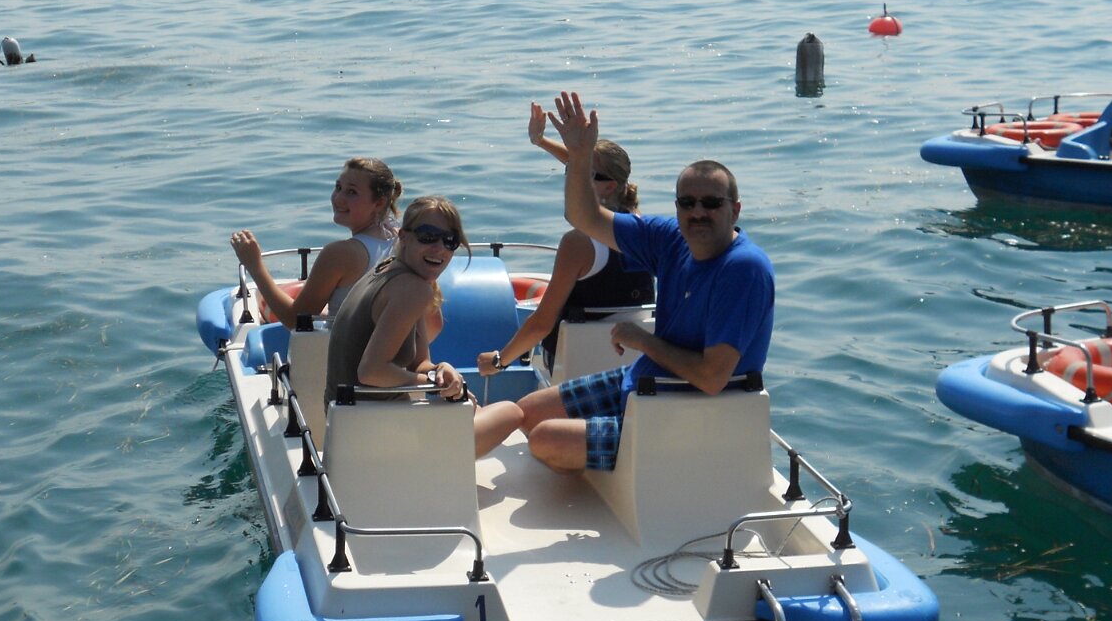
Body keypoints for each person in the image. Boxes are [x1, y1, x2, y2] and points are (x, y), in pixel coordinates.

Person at [518, 92, 775, 474]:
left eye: (711, 203)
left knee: (545, 439)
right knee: (527, 413)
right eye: (687, 203)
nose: (698, 212)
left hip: (683, 413)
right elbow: (584, 217)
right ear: (677, 207)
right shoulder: (671, 239)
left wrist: (643, 340)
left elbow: (711, 377)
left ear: (735, 210)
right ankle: (610, 461)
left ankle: (634, 474)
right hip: (643, 382)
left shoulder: (743, 269)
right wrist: (580, 157)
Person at [325, 196, 523, 456]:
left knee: (476, 407)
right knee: (512, 411)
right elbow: (371, 372)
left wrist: (440, 371)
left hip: (349, 428)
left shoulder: (389, 271)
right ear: (404, 236)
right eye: (428, 236)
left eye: (450, 240)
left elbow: (420, 363)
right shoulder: (413, 289)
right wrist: (437, 385)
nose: (439, 248)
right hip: (380, 439)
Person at [476, 105, 654, 378]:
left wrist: (499, 361)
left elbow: (541, 324)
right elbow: (585, 168)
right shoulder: (644, 228)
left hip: (576, 368)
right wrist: (541, 141)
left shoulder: (579, 243)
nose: (572, 177)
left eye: (581, 173)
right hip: (633, 366)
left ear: (609, 186)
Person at [229, 158, 401, 329]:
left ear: (379, 203)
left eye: (352, 192)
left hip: (345, 346)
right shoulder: (401, 238)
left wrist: (255, 266)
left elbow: (295, 321)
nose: (338, 199)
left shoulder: (341, 253)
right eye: (338, 188)